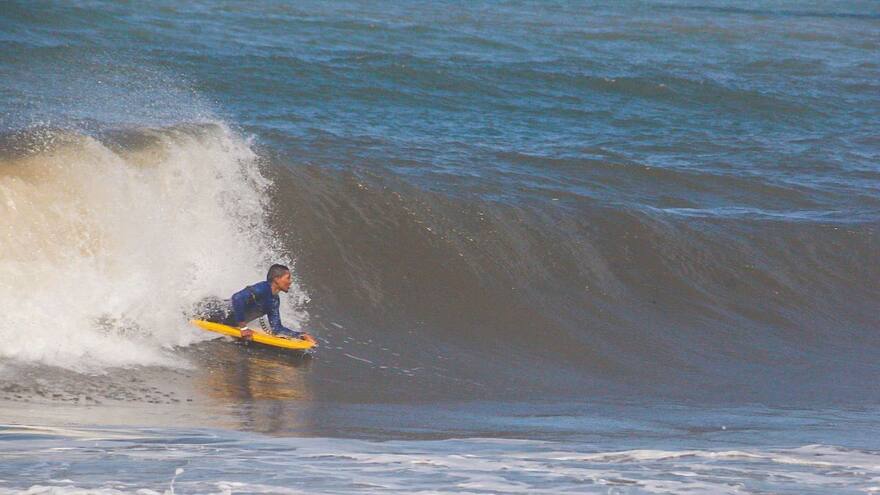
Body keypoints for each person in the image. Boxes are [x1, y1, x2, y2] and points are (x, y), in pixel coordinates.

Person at [199, 264, 314, 343]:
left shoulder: (274, 300)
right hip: (213, 310)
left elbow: (276, 328)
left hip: (224, 320)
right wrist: (243, 328)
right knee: (187, 313)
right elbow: (237, 298)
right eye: (288, 278)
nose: (290, 281)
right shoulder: (261, 288)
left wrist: (300, 335)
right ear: (276, 279)